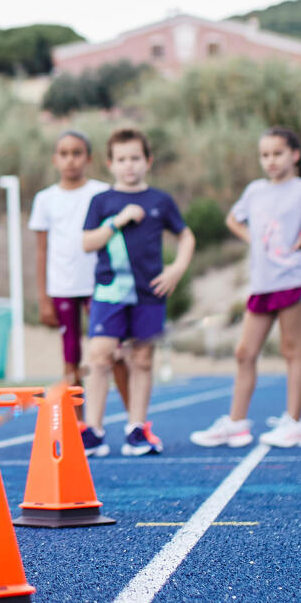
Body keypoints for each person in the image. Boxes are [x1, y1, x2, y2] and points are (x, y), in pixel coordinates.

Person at [191, 127, 301, 449]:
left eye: (277, 153)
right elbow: (232, 220)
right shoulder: (255, 191)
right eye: (265, 155)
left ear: (294, 155)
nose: (270, 160)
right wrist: (253, 240)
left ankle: (294, 424)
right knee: (244, 352)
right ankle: (237, 424)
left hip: (292, 280)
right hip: (261, 284)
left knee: (291, 349)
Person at [79, 127, 194, 457]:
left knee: (142, 360)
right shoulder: (101, 201)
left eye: (135, 158)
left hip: (149, 293)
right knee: (99, 356)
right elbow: (87, 243)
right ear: (110, 163)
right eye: (121, 159)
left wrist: (176, 269)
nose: (129, 166)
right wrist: (118, 221)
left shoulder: (161, 200)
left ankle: (136, 429)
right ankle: (94, 431)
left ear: (148, 161)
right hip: (109, 292)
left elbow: (186, 237)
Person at [30, 129, 131, 403]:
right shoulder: (45, 199)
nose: (70, 160)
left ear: (89, 158)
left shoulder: (102, 193)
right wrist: (43, 298)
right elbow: (41, 250)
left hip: (100, 286)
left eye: (77, 153)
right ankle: (79, 428)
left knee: (114, 352)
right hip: (62, 286)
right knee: (71, 358)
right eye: (64, 154)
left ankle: (135, 421)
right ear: (55, 160)